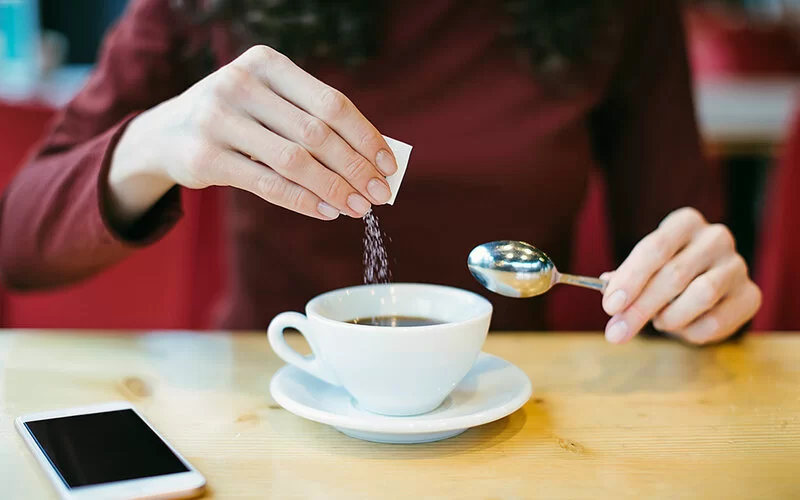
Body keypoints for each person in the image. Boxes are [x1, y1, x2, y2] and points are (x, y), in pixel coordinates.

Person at [0, 0, 761, 344]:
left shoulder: (618, 13)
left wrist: (698, 293)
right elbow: (18, 243)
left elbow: (676, 256)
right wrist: (155, 142)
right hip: (268, 404)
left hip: (512, 417)